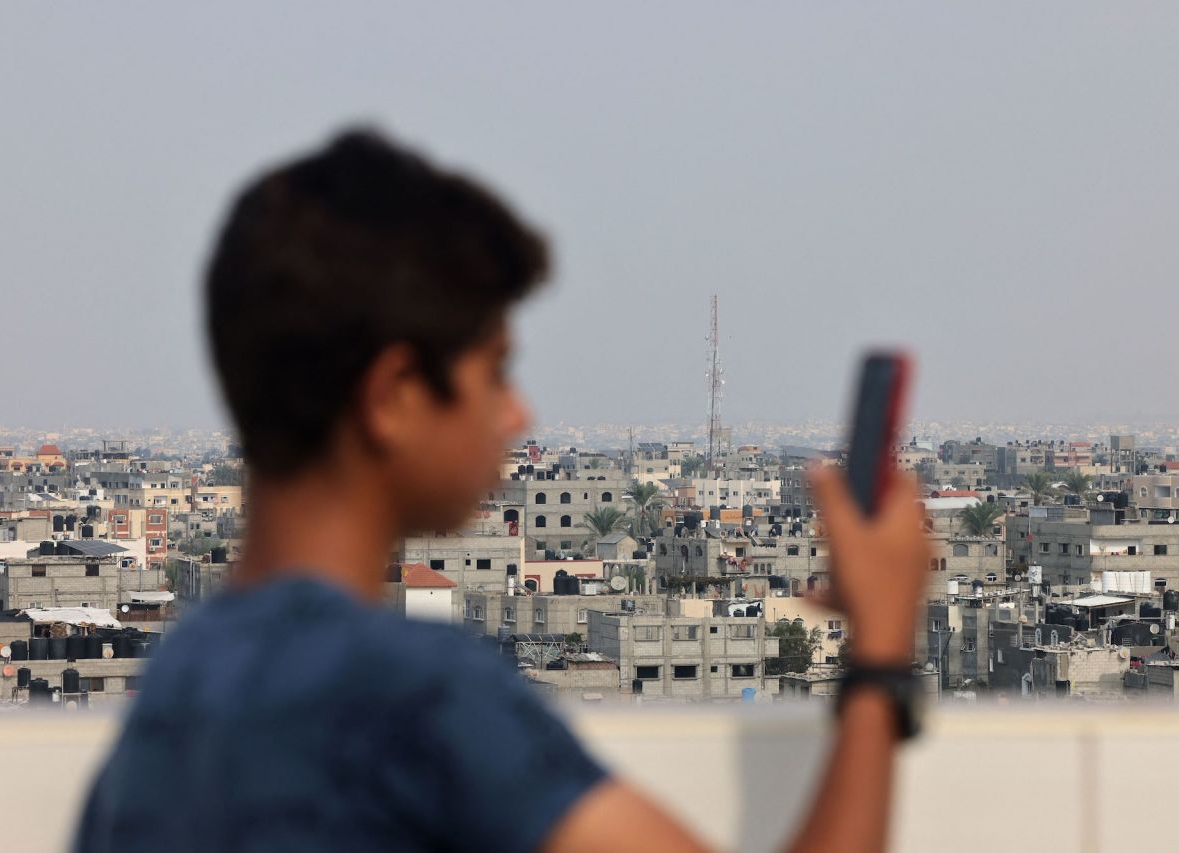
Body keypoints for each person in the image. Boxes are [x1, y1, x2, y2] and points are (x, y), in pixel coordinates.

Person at [74, 128, 929, 853]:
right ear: (395, 396)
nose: (517, 412)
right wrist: (881, 655)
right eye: (494, 370)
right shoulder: (410, 693)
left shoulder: (179, 689)